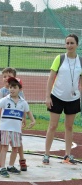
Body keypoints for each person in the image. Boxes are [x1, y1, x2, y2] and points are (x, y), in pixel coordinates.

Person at [0, 77, 35, 178]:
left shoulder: (23, 102)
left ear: (20, 89)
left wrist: (33, 120)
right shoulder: (5, 100)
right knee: (4, 147)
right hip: (5, 128)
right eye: (10, 87)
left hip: (16, 129)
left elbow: (28, 111)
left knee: (15, 148)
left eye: (14, 87)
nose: (12, 89)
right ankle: (2, 167)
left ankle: (10, 166)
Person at [43, 33, 82, 165]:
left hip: (73, 98)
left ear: (77, 44)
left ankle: (67, 155)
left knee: (69, 126)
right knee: (53, 126)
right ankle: (47, 154)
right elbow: (50, 78)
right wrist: (48, 96)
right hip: (57, 97)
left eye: (72, 43)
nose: (69, 45)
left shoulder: (80, 61)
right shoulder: (59, 58)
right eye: (67, 43)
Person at [0, 67, 28, 172]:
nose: (6, 78)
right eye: (4, 76)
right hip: (5, 122)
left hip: (15, 122)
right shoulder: (1, 92)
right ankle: (0, 162)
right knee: (3, 143)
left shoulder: (19, 92)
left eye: (9, 76)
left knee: (18, 142)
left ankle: (22, 160)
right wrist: (1, 119)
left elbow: (23, 106)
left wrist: (24, 118)